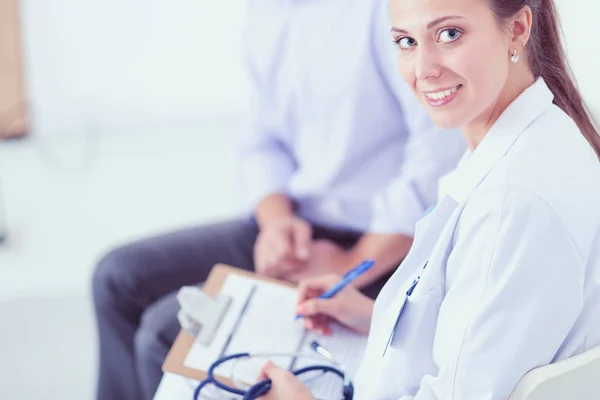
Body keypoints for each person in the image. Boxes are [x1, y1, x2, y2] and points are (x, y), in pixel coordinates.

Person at [91, 1, 465, 399]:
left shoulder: (385, 13)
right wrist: (275, 223)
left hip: (380, 245)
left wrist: (350, 262)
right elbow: (261, 140)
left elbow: (437, 156)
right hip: (298, 222)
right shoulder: (266, 13)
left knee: (167, 333)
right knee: (117, 277)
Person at [258, 0, 600, 399]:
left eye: (449, 34)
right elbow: (490, 334)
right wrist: (380, 320)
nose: (423, 70)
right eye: (406, 42)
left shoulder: (511, 204)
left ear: (518, 29)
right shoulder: (539, 139)